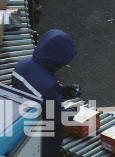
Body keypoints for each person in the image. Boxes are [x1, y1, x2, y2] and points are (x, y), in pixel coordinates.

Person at [12, 29, 77, 157]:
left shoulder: (21, 65)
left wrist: (61, 92)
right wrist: (73, 111)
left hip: (22, 128)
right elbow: (59, 117)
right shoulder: (49, 85)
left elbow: (36, 94)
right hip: (44, 142)